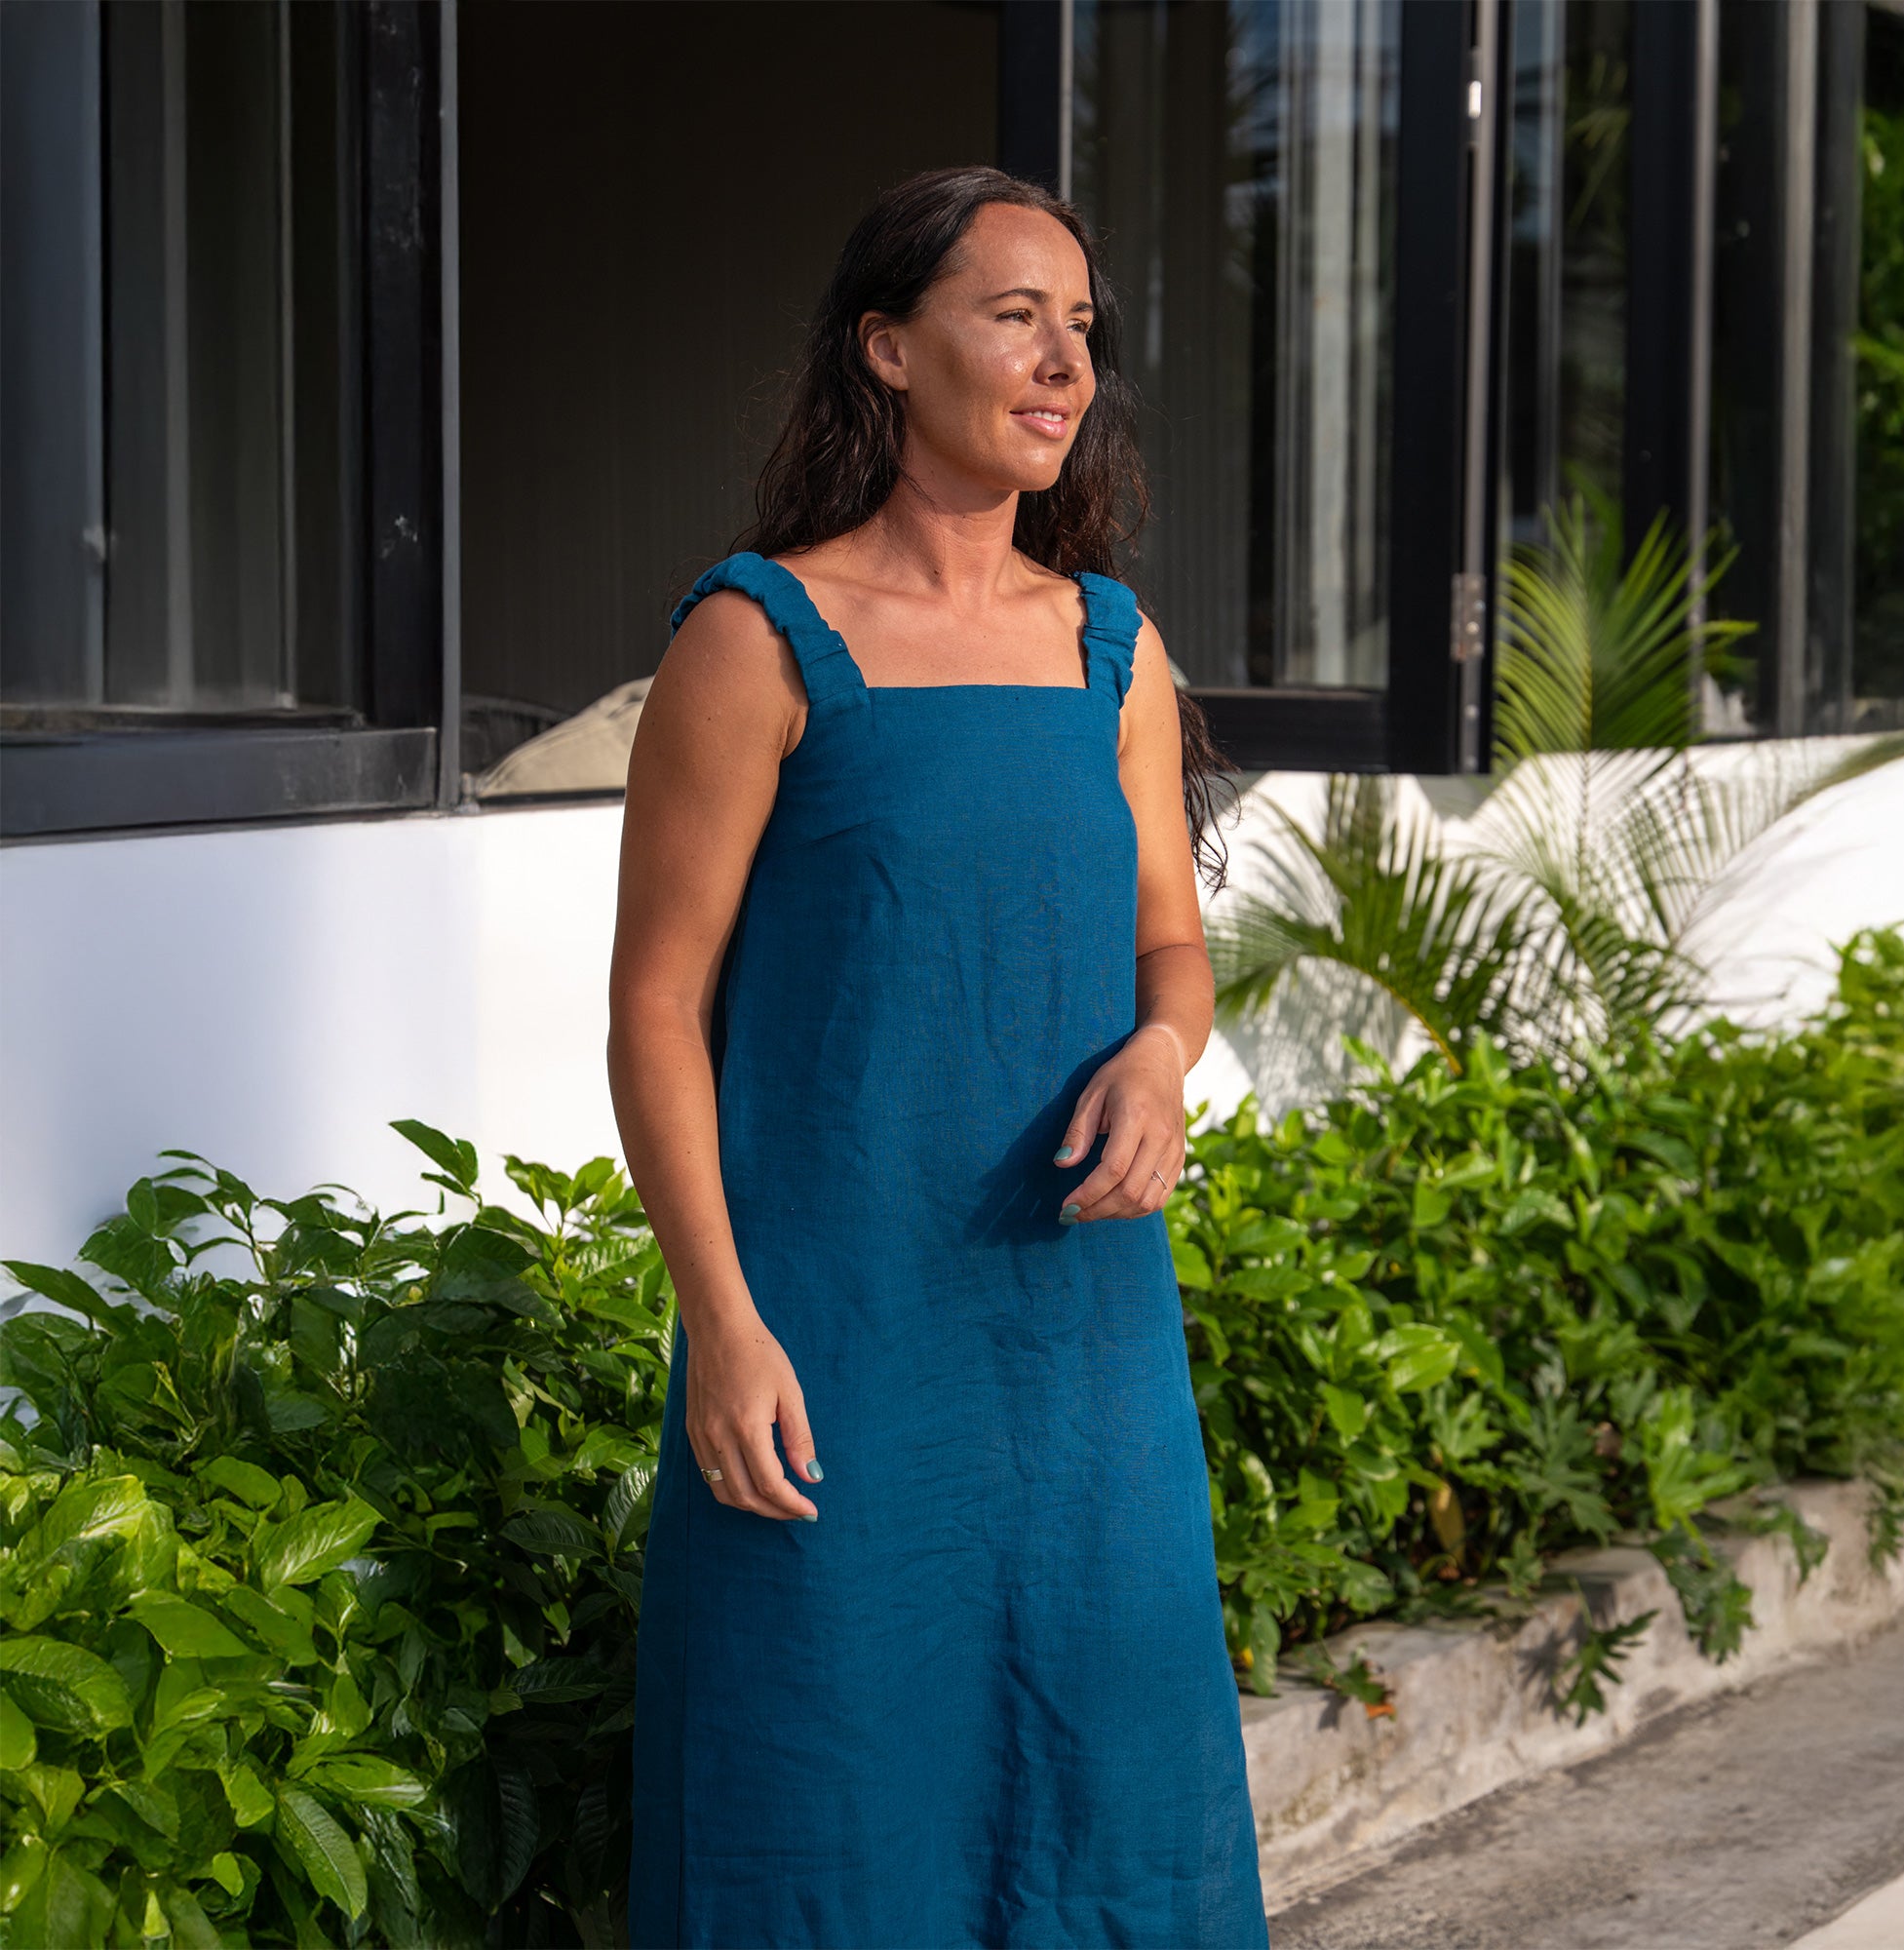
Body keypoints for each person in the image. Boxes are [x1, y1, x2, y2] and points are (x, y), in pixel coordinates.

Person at [606, 162, 1269, 1950]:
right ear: (888, 349)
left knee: (1105, 1797)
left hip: (1084, 1355)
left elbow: (1170, 943)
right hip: (832, 1341)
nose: (1064, 363)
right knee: (819, 1790)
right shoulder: (758, 639)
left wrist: (1162, 1053)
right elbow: (656, 1007)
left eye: (1081, 328)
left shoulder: (1109, 650)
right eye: (1014, 317)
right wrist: (722, 1328)